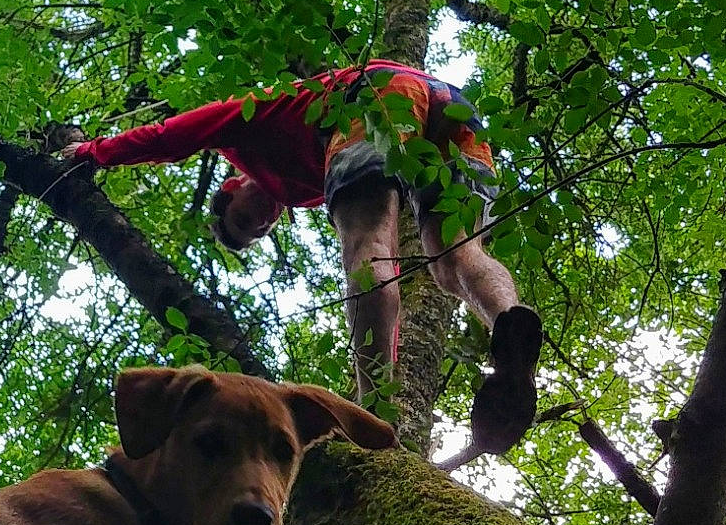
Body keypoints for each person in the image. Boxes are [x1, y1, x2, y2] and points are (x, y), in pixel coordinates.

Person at [61, 61, 542, 454]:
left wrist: (93, 152)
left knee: (369, 243)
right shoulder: (302, 189)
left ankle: (374, 411)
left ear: (231, 187)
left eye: (243, 218)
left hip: (370, 96)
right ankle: (509, 320)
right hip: (450, 105)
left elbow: (170, 136)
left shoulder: (245, 128)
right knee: (453, 257)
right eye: (258, 232)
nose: (260, 222)